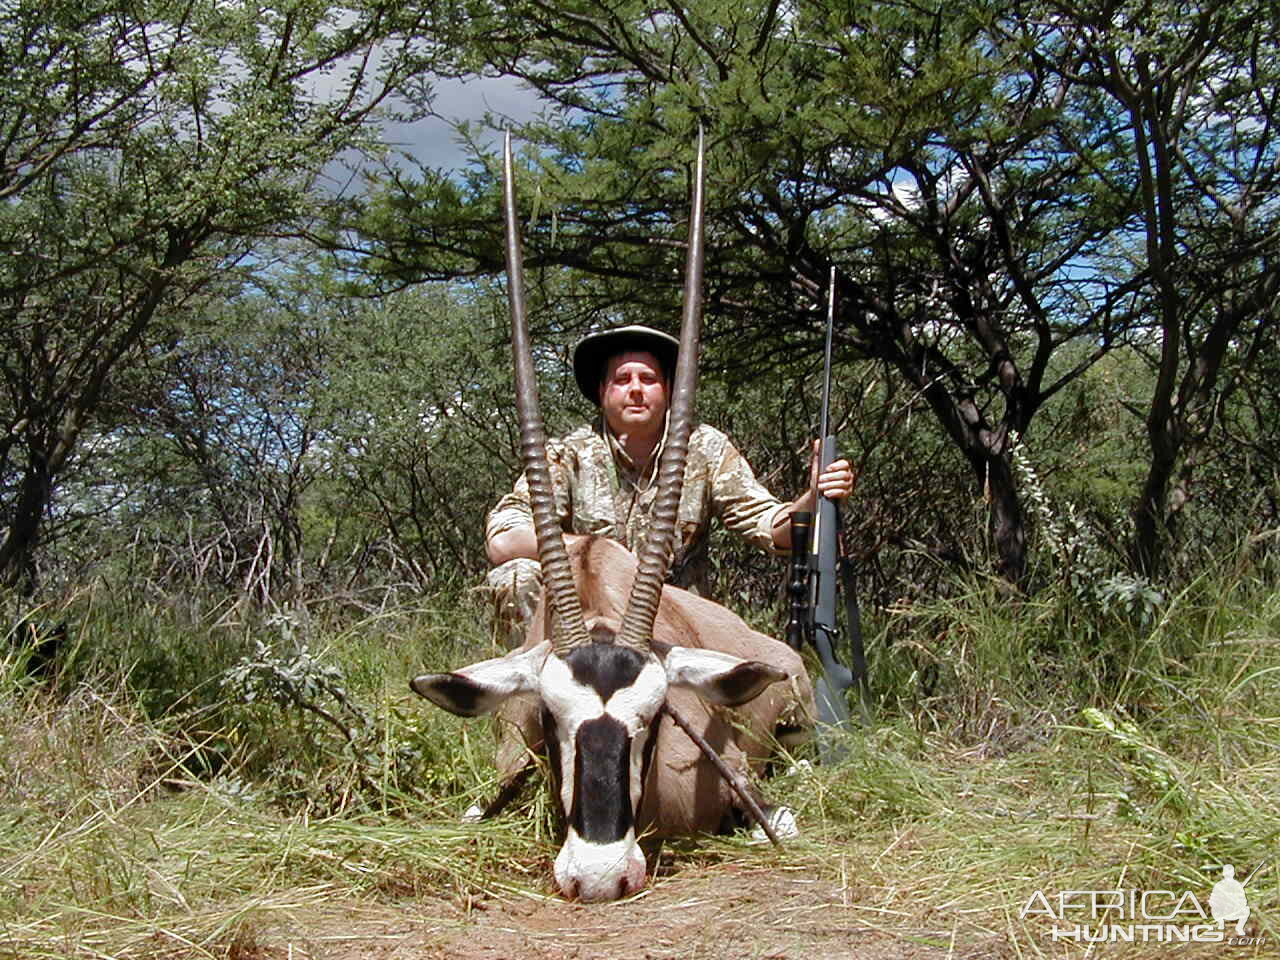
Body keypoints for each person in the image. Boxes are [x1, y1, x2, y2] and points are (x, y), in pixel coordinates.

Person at [483, 324, 854, 647]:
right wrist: (593, 550)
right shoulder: (566, 454)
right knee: (514, 578)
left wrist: (813, 496)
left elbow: (775, 528)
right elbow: (504, 539)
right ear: (601, 391)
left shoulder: (705, 447)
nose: (636, 390)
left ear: (669, 390)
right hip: (587, 623)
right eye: (622, 379)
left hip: (676, 622)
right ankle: (529, 715)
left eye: (648, 379)